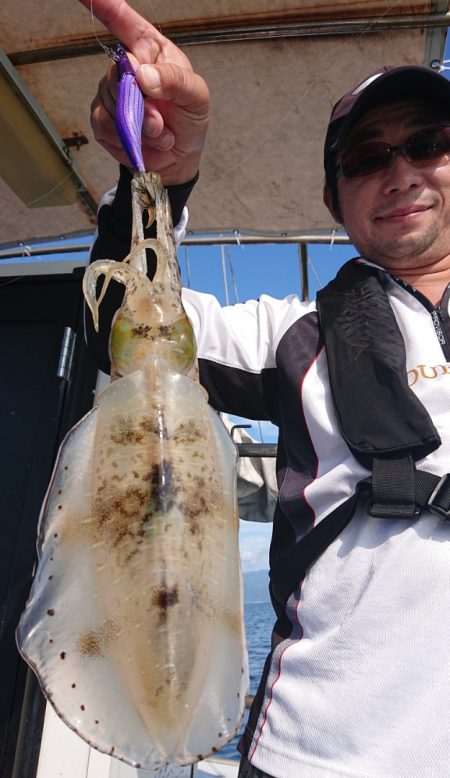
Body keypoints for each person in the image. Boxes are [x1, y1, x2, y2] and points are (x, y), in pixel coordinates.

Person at [81, 1, 450, 775]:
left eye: (430, 144)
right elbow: (127, 319)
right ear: (332, 198)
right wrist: (157, 180)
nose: (402, 171)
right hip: (316, 756)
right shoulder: (296, 334)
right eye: (366, 158)